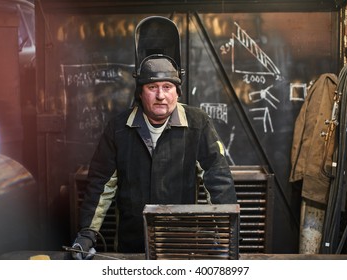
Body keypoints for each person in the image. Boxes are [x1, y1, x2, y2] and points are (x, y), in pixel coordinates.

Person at [71, 16, 237, 259]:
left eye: (168, 87)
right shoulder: (118, 129)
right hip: (132, 242)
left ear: (177, 92)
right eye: (152, 87)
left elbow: (217, 179)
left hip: (182, 241)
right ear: (141, 93)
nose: (161, 95)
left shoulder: (197, 123)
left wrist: (225, 234)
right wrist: (87, 233)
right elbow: (100, 184)